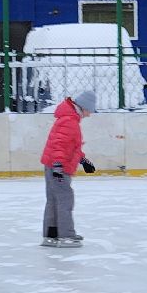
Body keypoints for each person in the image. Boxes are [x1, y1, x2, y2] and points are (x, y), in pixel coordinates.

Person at [39, 89, 97, 247]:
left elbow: (71, 147)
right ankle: (66, 236)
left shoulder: (67, 118)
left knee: (53, 200)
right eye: (89, 111)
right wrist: (58, 167)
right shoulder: (70, 121)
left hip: (53, 165)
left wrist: (83, 160)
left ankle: (51, 236)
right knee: (65, 199)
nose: (89, 115)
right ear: (83, 107)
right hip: (59, 167)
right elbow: (60, 145)